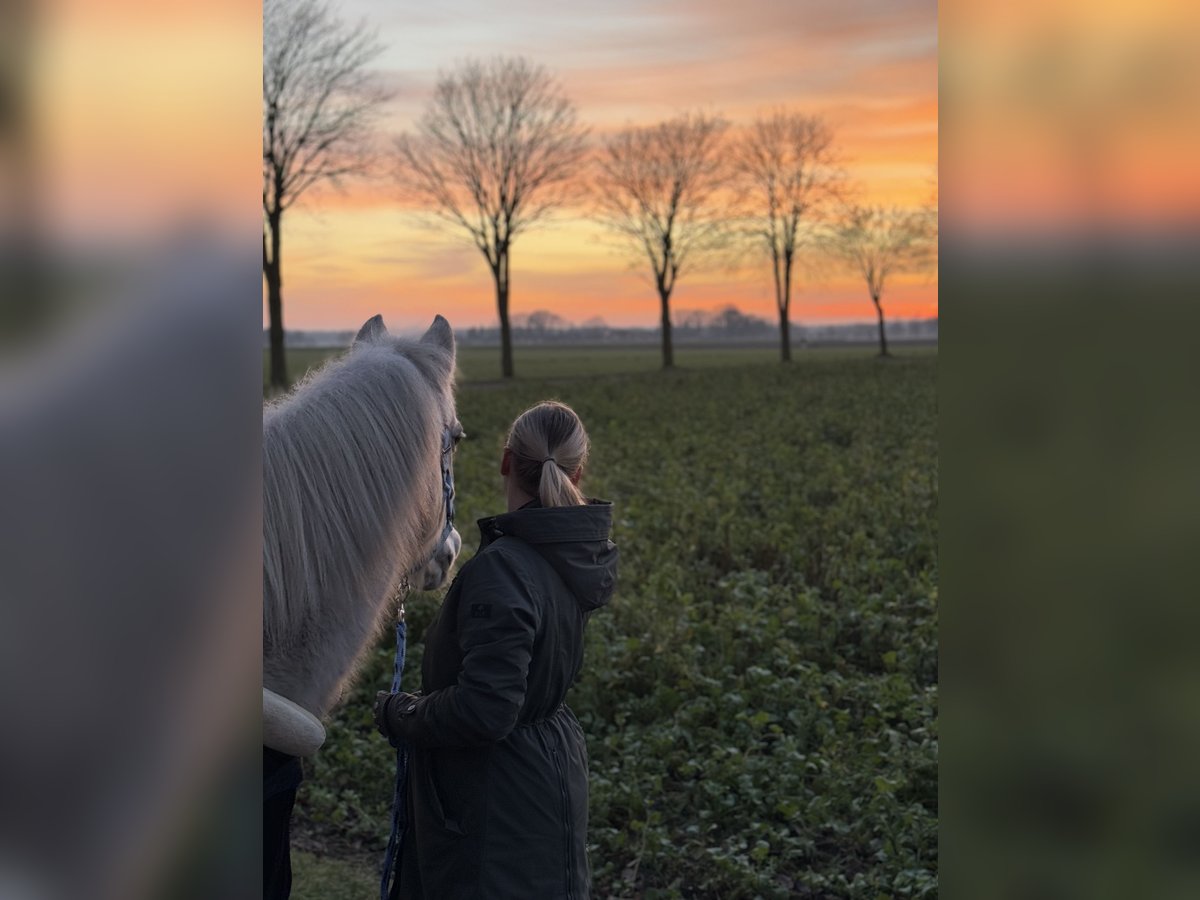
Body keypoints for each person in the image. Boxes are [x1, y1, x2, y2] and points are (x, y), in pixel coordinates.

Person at [374, 400, 618, 899]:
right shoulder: (575, 553)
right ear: (578, 471)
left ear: (506, 462)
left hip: (491, 796)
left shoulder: (504, 568)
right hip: (549, 773)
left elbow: (486, 709)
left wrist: (402, 714)